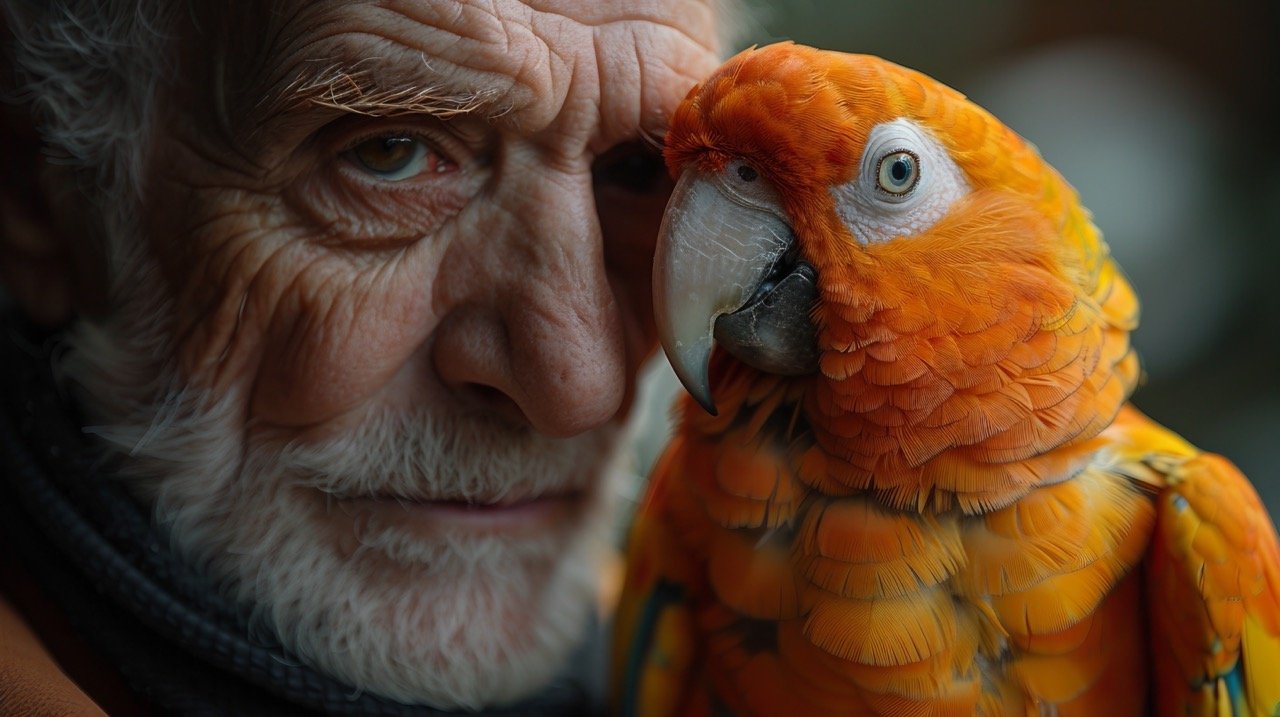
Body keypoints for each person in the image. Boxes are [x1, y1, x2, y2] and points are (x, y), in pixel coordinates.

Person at [0, 1, 729, 714]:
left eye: (637, 174)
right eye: (389, 152)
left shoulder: (701, 662)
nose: (577, 386)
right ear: (44, 189)